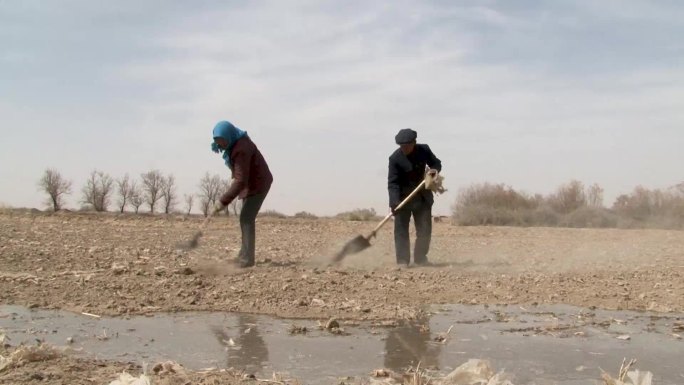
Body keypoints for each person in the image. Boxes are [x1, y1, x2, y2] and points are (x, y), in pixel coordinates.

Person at [212, 120, 273, 268]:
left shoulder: (241, 149)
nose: (221, 145)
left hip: (259, 183)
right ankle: (243, 254)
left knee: (246, 217)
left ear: (229, 136)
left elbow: (240, 181)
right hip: (251, 183)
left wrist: (222, 201)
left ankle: (247, 259)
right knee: (245, 217)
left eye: (223, 141)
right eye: (218, 142)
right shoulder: (236, 143)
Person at [388, 128, 442, 266]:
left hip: (422, 197)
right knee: (401, 231)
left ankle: (420, 258)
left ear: (414, 143)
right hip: (402, 200)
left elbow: (436, 163)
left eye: (407, 146)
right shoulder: (395, 159)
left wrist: (433, 172)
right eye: (402, 146)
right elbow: (393, 183)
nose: (404, 149)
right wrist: (394, 202)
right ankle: (402, 261)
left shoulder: (424, 150)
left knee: (424, 230)